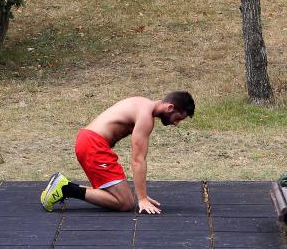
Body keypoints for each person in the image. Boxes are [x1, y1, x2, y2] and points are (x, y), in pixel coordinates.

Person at [40, 91, 195, 214]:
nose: (176, 123)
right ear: (170, 108)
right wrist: (142, 199)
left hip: (88, 141)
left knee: (116, 195)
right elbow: (138, 159)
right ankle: (65, 188)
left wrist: (143, 195)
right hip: (93, 145)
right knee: (125, 202)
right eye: (178, 118)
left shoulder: (142, 103)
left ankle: (63, 186)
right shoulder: (145, 117)